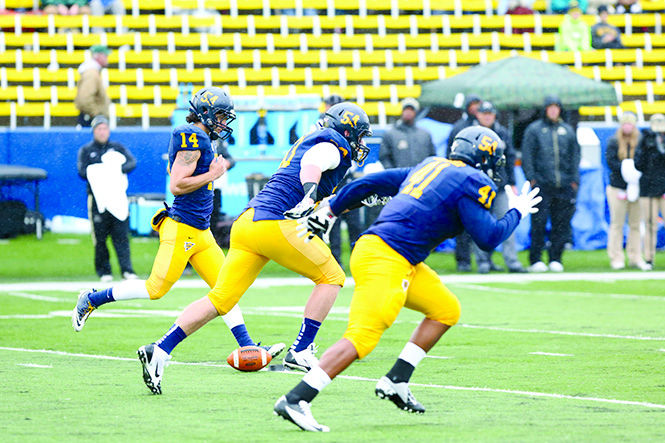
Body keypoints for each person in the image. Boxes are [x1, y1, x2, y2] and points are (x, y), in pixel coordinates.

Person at [273, 126, 542, 432]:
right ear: (483, 158)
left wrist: (332, 209)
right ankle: (297, 398)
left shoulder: (430, 165)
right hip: (387, 258)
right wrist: (517, 212)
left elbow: (371, 182)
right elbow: (489, 237)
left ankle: (397, 379)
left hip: (389, 254)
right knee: (361, 338)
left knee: (445, 309)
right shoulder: (472, 180)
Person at [135, 102, 373, 394]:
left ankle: (159, 350)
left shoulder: (320, 143)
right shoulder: (331, 145)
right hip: (274, 222)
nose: (361, 143)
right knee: (332, 278)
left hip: (248, 223)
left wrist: (356, 200)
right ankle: (301, 349)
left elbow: (324, 201)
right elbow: (313, 162)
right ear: (346, 129)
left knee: (221, 299)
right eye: (359, 136)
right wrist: (310, 193)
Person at [72, 89, 282, 390]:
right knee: (155, 288)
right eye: (221, 116)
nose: (224, 122)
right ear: (207, 114)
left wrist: (211, 173)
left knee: (227, 289)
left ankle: (247, 345)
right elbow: (178, 184)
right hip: (182, 227)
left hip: (200, 230)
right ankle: (91, 299)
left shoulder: (201, 137)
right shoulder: (190, 136)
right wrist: (213, 173)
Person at [522, 95, 580, 272]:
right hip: (541, 185)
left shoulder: (567, 130)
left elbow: (574, 156)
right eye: (550, 107)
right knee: (538, 223)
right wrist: (532, 178)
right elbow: (527, 155)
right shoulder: (534, 130)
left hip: (563, 186)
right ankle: (536, 259)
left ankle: (556, 257)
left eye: (557, 107)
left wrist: (574, 180)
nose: (554, 111)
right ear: (545, 109)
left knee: (561, 224)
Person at [76, 116, 137, 283]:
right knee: (100, 237)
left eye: (104, 128)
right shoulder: (87, 150)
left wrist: (116, 168)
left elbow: (132, 163)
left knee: (121, 236)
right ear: (94, 131)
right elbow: (81, 171)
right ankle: (104, 271)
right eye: (98, 129)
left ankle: (127, 270)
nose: (102, 132)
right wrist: (101, 171)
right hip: (97, 200)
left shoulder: (116, 148)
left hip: (117, 198)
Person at [472, 101, 526, 273]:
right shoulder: (471, 134)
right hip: (478, 187)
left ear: (494, 115)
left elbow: (509, 158)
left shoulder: (502, 132)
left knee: (507, 223)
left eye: (490, 113)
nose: (487, 116)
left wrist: (512, 182)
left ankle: (511, 260)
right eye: (484, 113)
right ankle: (483, 262)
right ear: (478, 115)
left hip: (499, 186)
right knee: (481, 225)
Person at [605, 111, 649, 270]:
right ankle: (616, 256)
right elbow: (610, 161)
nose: (628, 126)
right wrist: (626, 169)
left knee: (636, 224)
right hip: (618, 187)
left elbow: (645, 161)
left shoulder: (641, 141)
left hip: (637, 187)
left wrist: (636, 173)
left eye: (630, 123)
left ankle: (635, 256)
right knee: (617, 224)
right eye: (625, 123)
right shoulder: (613, 141)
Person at [448, 94, 482, 272]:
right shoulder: (458, 128)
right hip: (462, 180)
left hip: (479, 179)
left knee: (480, 222)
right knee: (462, 223)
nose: (476, 108)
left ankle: (484, 261)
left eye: (479, 105)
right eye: (473, 105)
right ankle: (463, 260)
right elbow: (450, 152)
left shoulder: (484, 125)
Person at [635, 113, 665, 269]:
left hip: (663, 186)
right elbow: (638, 163)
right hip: (648, 186)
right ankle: (649, 257)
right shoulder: (645, 139)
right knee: (650, 223)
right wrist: (648, 147)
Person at [379, 98, 436, 170]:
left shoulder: (425, 135)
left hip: (420, 177)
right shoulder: (390, 134)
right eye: (406, 109)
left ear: (416, 112)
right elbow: (384, 157)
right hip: (399, 178)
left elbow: (432, 156)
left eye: (411, 110)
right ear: (402, 111)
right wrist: (393, 173)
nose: (408, 112)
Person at [75, 45, 111, 129]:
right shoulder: (91, 74)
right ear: (98, 56)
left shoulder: (92, 72)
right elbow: (85, 99)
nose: (107, 58)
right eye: (105, 56)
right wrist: (97, 114)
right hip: (91, 119)